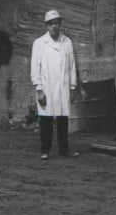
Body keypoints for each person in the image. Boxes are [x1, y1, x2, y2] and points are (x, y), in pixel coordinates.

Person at [30, 9, 82, 159]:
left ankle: (64, 149)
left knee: (63, 119)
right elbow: (35, 67)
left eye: (56, 23)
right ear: (46, 26)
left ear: (60, 24)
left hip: (63, 87)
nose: (54, 26)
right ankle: (44, 150)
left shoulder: (67, 42)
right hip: (46, 87)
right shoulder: (39, 43)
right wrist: (39, 89)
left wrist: (72, 87)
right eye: (51, 24)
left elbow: (72, 66)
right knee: (46, 119)